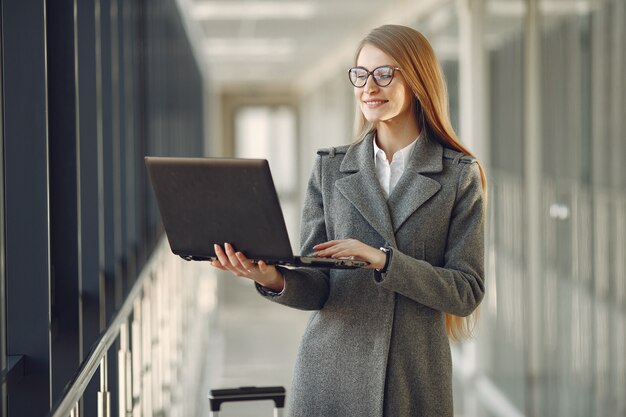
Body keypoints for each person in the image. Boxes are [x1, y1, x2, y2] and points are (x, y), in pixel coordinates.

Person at [211, 24, 486, 417]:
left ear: (418, 80)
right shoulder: (331, 168)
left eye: (385, 73)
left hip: (412, 384)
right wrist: (270, 278)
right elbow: (319, 288)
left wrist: (384, 260)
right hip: (328, 378)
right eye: (361, 74)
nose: (369, 87)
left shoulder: (458, 175)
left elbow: (466, 292)